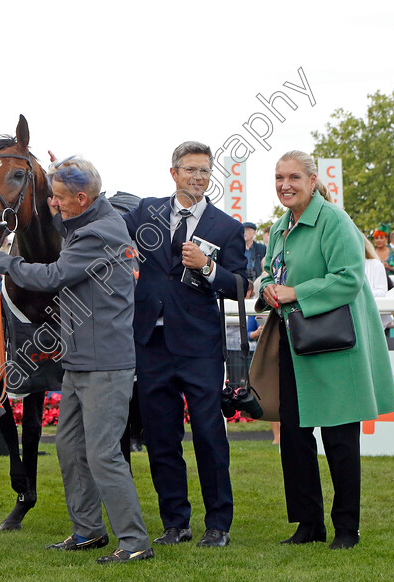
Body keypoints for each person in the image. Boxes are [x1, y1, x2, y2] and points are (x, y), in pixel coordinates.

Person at [0, 156, 151, 565]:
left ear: (81, 197)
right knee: (71, 448)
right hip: (80, 360)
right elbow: (58, 228)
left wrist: (1, 261)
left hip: (105, 365)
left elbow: (52, 277)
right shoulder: (91, 220)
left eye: (58, 198)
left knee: (103, 453)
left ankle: (134, 540)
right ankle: (89, 530)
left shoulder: (99, 233)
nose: (53, 204)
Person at [260, 150, 394, 550]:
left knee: (340, 441)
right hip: (295, 344)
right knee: (297, 440)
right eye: (279, 177)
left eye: (293, 178)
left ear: (312, 180)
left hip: (337, 348)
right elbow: (271, 270)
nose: (285, 185)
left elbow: (348, 278)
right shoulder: (280, 226)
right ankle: (309, 524)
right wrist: (269, 285)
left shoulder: (335, 220)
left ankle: (346, 529)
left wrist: (294, 293)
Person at [124, 140, 247, 548]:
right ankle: (175, 523)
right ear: (173, 173)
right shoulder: (146, 212)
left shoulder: (226, 227)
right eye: (191, 170)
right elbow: (107, 225)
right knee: (161, 437)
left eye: (205, 171)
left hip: (199, 347)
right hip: (152, 342)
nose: (199, 177)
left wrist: (209, 267)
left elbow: (240, 286)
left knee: (210, 436)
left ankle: (218, 525)